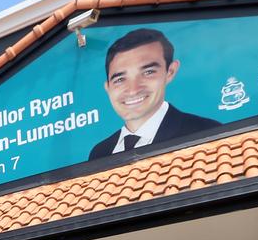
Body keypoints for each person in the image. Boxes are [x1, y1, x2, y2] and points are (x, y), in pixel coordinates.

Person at [88, 28, 220, 160]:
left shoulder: (206, 132)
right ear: (108, 87)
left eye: (148, 72)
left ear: (170, 72)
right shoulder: (100, 153)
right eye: (120, 79)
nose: (133, 90)